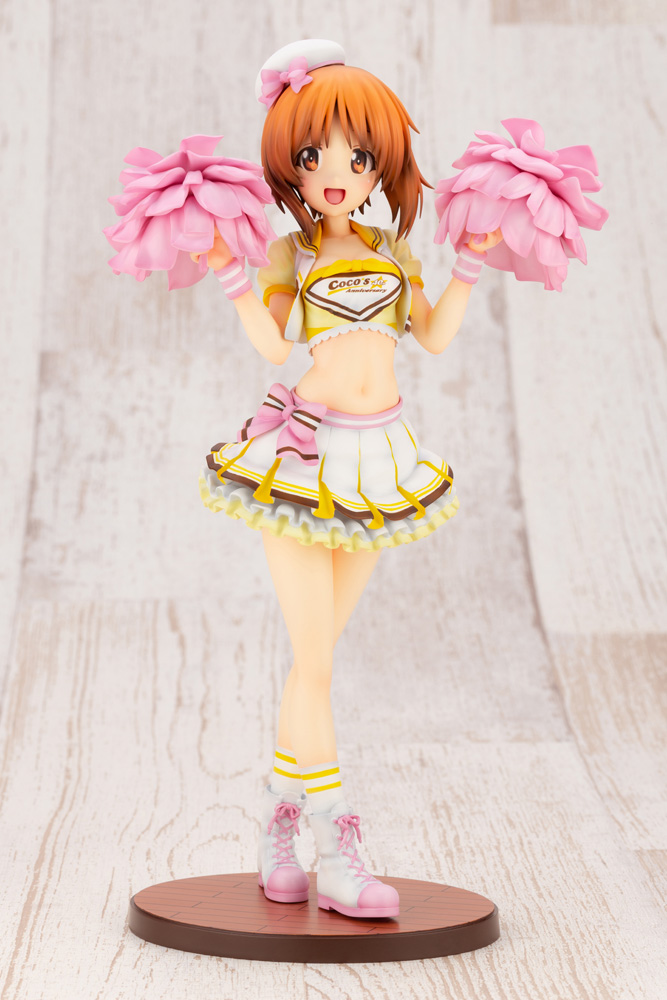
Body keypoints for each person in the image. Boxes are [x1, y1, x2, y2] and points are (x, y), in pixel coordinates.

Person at [195, 38, 502, 920]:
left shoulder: (393, 250)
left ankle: (277, 823)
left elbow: (432, 337)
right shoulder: (289, 253)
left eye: (357, 157)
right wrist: (229, 272)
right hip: (304, 461)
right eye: (312, 154)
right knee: (318, 662)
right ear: (288, 164)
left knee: (315, 659)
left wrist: (472, 260)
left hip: (381, 460)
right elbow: (273, 345)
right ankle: (334, 848)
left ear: (382, 166)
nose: (335, 173)